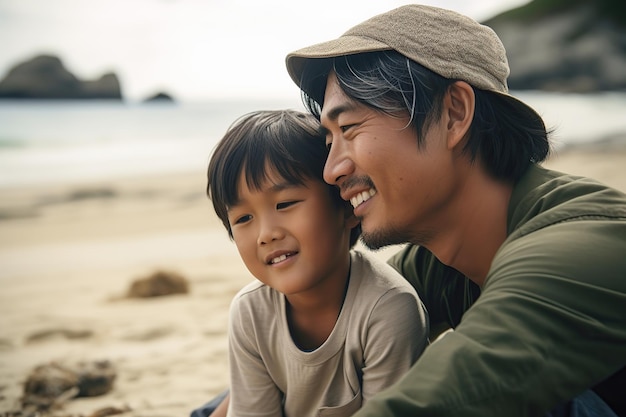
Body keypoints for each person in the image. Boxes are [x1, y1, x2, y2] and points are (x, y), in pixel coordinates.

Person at [280, 4, 626, 417]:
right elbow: (320, 347)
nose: (332, 170)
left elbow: (432, 403)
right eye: (329, 140)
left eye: (350, 128)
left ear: (454, 114)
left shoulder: (580, 248)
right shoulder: (441, 264)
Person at [203, 109, 429, 417]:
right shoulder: (249, 312)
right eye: (243, 219)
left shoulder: (388, 310)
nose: (266, 234)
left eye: (285, 204)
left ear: (346, 208)